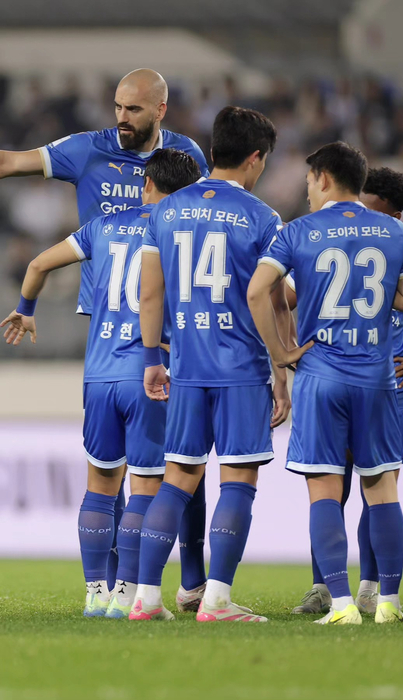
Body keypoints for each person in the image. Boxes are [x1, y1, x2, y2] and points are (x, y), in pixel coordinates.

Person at [0, 68, 210, 598]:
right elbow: (11, 162)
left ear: (160, 110)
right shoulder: (86, 149)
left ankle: (171, 580)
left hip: (148, 338)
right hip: (125, 331)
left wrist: (26, 302)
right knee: (150, 469)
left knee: (154, 463)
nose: (121, 118)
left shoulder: (185, 158)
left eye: (133, 109)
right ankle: (131, 585)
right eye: (117, 107)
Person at [248, 142, 403, 625]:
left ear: (324, 178)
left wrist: (282, 353)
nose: (306, 189)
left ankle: (342, 604)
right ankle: (388, 603)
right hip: (377, 377)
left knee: (325, 492)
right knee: (382, 490)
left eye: (309, 180)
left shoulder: (299, 231)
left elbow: (256, 290)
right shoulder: (393, 230)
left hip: (320, 377)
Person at [130, 106, 292, 623]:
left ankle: (146, 599)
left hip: (188, 366)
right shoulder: (263, 218)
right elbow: (267, 296)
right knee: (238, 480)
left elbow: (149, 295)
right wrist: (281, 368)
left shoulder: (166, 211)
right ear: (255, 157)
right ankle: (217, 600)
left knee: (176, 479)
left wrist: (154, 359)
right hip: (241, 367)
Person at [289, 167, 403, 617]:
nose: (361, 218)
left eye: (374, 210)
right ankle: (324, 587)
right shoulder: (337, 242)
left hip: (385, 386)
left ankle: (369, 588)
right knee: (333, 487)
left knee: (375, 488)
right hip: (348, 378)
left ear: (396, 215)